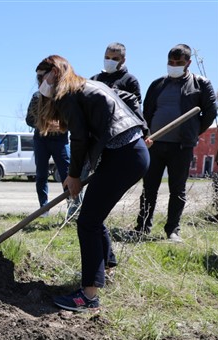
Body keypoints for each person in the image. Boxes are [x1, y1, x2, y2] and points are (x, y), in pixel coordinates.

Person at [34, 55, 150, 312]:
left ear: (54, 72)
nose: (40, 83)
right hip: (130, 152)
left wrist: (74, 175)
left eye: (42, 76)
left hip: (125, 155)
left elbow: (79, 138)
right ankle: (106, 267)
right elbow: (129, 99)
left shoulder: (67, 93)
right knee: (93, 217)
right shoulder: (88, 85)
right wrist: (143, 130)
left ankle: (88, 297)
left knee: (87, 222)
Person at [133, 44, 217, 242]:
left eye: (178, 63)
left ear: (188, 63)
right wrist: (147, 134)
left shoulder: (200, 84)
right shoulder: (157, 85)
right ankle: (142, 227)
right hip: (155, 144)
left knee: (177, 189)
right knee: (149, 188)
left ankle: (172, 230)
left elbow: (210, 112)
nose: (173, 66)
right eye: (170, 62)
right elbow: (146, 113)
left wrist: (193, 132)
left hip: (181, 146)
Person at [26, 91, 76, 217]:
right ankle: (44, 209)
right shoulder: (37, 96)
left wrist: (62, 125)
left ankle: (73, 209)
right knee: (41, 175)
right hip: (41, 139)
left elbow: (75, 118)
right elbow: (29, 119)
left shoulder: (66, 95)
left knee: (67, 174)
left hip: (60, 140)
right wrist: (46, 124)